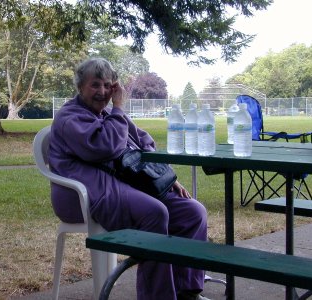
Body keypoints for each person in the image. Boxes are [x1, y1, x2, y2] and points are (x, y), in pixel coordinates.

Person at [48, 57, 209, 300]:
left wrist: (166, 176)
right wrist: (119, 109)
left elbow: (144, 141)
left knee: (192, 212)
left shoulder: (108, 115)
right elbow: (105, 147)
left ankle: (186, 291)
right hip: (83, 194)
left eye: (107, 85)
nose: (102, 92)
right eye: (95, 85)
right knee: (154, 213)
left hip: (123, 184)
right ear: (80, 87)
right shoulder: (70, 117)